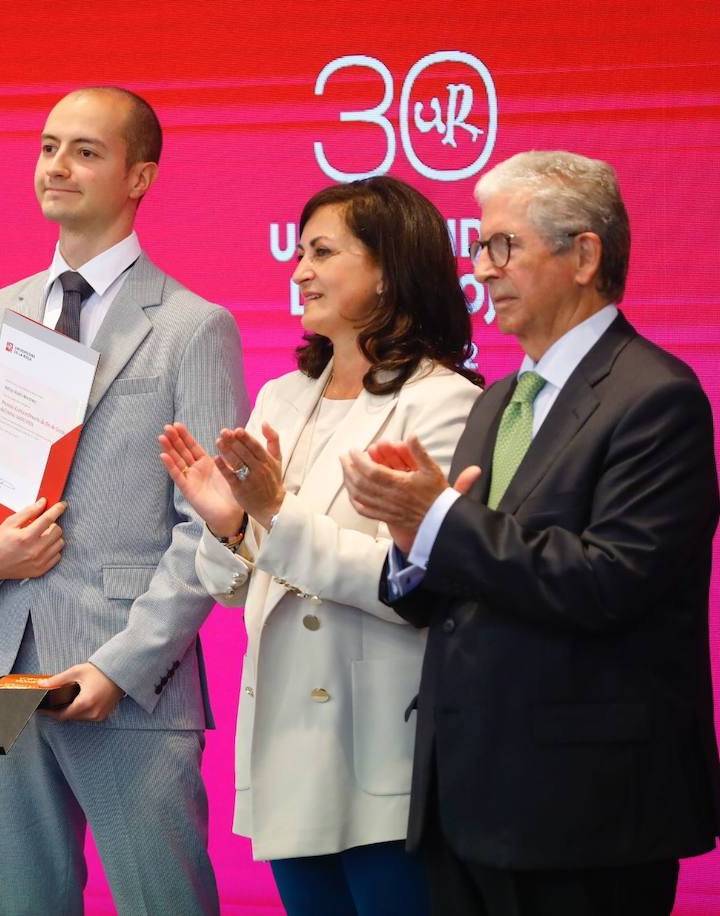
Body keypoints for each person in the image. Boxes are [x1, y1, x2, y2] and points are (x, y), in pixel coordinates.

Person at [341, 151, 720, 915]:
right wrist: (409, 539)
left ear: (584, 255)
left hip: (586, 811)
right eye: (480, 248)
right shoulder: (498, 401)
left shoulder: (657, 397)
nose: (481, 270)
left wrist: (439, 522)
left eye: (502, 246)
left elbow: (606, 581)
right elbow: (452, 590)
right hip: (464, 802)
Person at [0, 86, 246, 915]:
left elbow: (212, 527)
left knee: (164, 902)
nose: (56, 166)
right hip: (0, 661)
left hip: (127, 670)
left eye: (85, 151)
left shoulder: (192, 325)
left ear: (140, 176)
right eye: (47, 147)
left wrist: (123, 664)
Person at [159, 176, 482, 915]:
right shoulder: (281, 396)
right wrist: (228, 525)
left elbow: (414, 586)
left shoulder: (444, 402)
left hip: (382, 747)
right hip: (289, 746)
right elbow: (238, 584)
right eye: (299, 252)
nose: (299, 270)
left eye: (323, 252)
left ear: (389, 269)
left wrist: (273, 510)